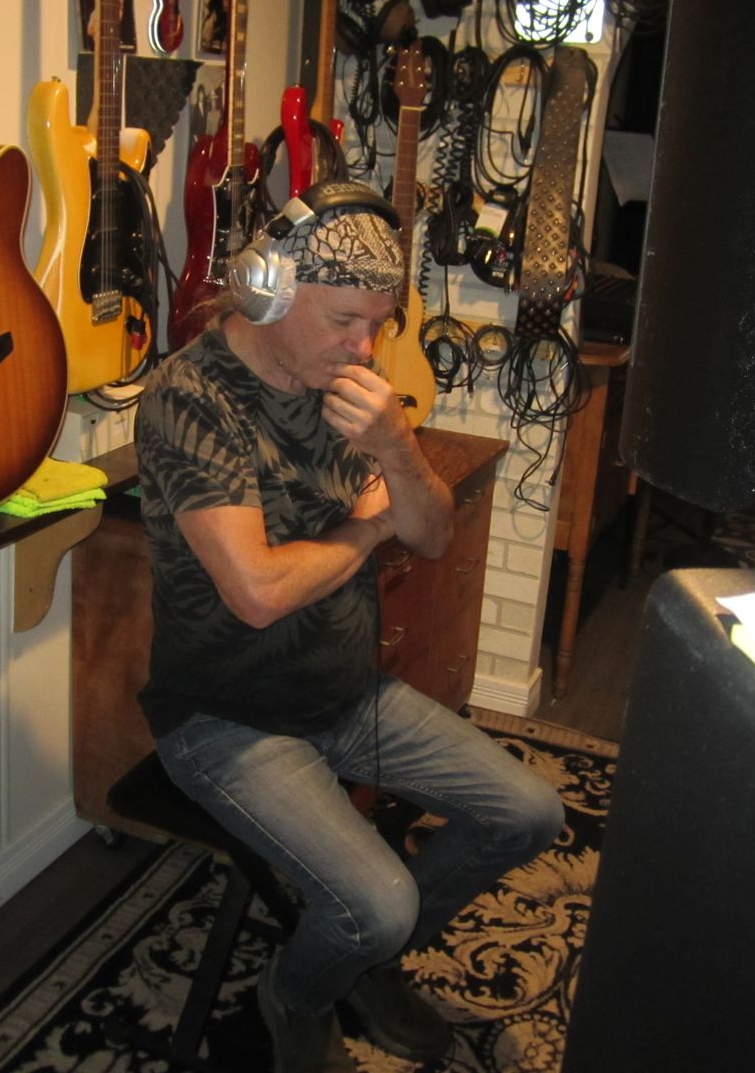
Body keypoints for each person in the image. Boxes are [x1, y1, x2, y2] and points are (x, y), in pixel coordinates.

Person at [134, 182, 566, 1072]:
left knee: (530, 813)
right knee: (379, 904)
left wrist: (397, 447)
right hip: (225, 718)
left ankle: (361, 967)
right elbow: (258, 592)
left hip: (344, 692)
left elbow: (433, 534)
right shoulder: (191, 397)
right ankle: (297, 994)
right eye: (342, 320)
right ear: (267, 290)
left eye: (377, 324)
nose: (363, 347)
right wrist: (368, 531)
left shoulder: (352, 389)